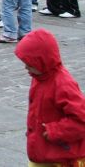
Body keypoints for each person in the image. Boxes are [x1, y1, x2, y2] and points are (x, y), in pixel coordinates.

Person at [14, 29, 85, 166]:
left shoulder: (63, 84)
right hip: (43, 149)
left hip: (60, 155)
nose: (25, 67)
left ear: (41, 61)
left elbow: (82, 120)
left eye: (29, 63)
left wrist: (54, 130)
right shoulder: (39, 77)